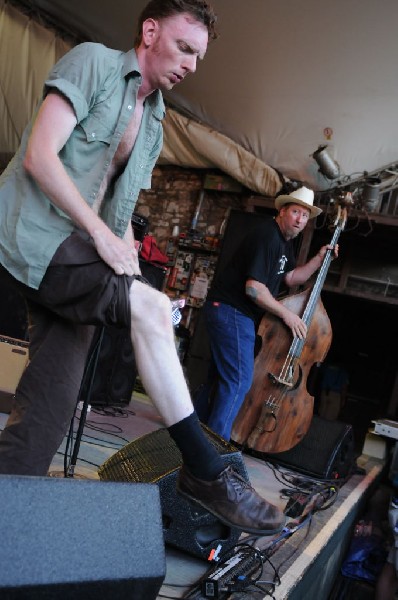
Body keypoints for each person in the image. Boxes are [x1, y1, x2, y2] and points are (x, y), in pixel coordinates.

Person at [0, 0, 286, 536]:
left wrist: (135, 276)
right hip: (31, 235)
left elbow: (121, 209)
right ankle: (204, 470)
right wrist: (114, 253)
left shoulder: (155, 120)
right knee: (148, 309)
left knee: (48, 410)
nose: (191, 65)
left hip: (78, 255)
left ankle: (4, 523)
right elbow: (40, 155)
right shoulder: (94, 63)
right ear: (150, 32)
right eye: (184, 47)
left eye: (199, 56)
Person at [195, 186, 338, 441]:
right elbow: (253, 288)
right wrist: (287, 314)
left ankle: (195, 438)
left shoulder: (284, 243)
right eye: (295, 212)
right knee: (239, 381)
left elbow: (291, 278)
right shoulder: (267, 236)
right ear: (283, 211)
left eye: (305, 216)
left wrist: (318, 258)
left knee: (220, 380)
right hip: (233, 311)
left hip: (232, 313)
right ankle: (214, 448)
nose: (300, 220)